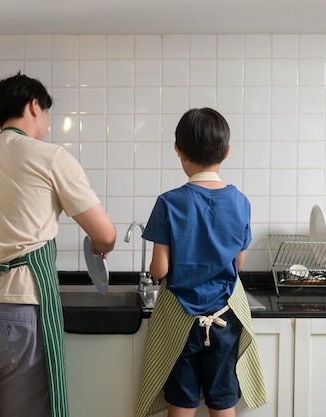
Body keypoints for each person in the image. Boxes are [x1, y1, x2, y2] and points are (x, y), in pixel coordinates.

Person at [0, 72, 116, 417]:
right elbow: (105, 234)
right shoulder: (50, 157)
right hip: (20, 312)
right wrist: (100, 247)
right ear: (34, 106)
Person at [135, 108, 268, 417]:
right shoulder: (240, 202)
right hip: (225, 318)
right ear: (227, 151)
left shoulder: (169, 202)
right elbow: (240, 263)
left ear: (179, 152)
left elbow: (160, 269)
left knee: (181, 403)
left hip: (181, 321)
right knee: (223, 402)